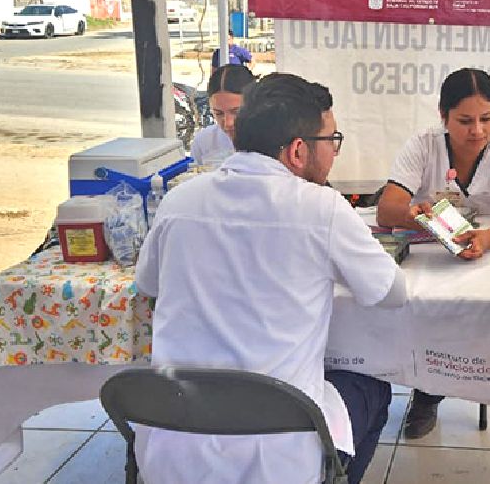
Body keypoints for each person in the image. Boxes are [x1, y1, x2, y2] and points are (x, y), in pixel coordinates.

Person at [135, 73, 408, 484]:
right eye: (331, 141)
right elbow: (391, 292)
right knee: (370, 386)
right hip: (275, 460)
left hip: (171, 449)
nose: (334, 154)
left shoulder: (178, 201)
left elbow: (148, 285)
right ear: (298, 150)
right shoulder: (322, 208)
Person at [375, 67, 490, 439]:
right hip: (432, 253)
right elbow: (388, 209)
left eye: (486, 119)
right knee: (424, 310)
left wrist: (487, 239)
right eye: (464, 121)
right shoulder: (423, 145)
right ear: (442, 116)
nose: (477, 130)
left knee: (487, 314)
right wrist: (423, 219)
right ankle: (426, 393)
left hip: (488, 250)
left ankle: (472, 380)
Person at [190, 63, 254, 166]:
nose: (228, 123)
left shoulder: (274, 141)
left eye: (236, 111)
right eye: (218, 113)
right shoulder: (204, 142)